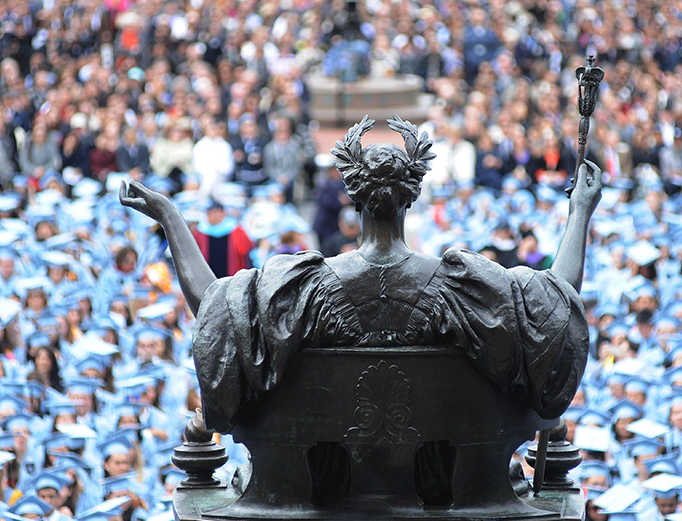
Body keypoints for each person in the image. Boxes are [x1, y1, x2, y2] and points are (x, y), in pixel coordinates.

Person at [120, 114, 601, 432]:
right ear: (413, 196)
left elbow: (213, 308)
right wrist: (580, 209)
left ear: (351, 198)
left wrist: (170, 219)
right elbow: (558, 305)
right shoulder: (465, 287)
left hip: (323, 489)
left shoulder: (300, 288)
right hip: (442, 490)